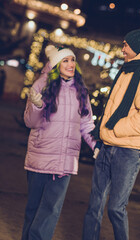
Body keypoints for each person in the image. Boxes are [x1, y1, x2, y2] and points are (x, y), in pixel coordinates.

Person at [82, 25, 140, 240]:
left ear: (137, 47)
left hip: (128, 150)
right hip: (107, 146)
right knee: (94, 205)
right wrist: (104, 137)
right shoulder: (127, 69)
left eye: (125, 45)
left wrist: (115, 129)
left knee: (115, 208)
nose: (122, 49)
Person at [22, 45, 96, 240]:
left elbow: (86, 124)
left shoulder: (81, 91)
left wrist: (96, 145)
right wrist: (37, 106)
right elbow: (30, 122)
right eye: (65, 60)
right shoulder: (41, 86)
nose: (71, 64)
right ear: (56, 65)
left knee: (51, 210)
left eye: (72, 60)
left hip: (65, 161)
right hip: (40, 157)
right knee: (34, 207)